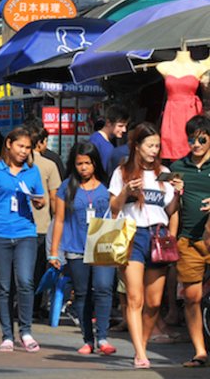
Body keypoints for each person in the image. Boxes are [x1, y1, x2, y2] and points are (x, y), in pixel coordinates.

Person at [109, 123, 182, 369]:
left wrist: (178, 193)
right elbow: (113, 208)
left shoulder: (165, 173)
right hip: (131, 235)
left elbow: (170, 210)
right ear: (137, 146)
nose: (154, 150)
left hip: (158, 237)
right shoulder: (122, 172)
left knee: (153, 302)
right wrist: (125, 193)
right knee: (134, 297)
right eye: (149, 145)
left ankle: (142, 342)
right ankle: (140, 353)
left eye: (157, 146)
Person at [0, 127, 48, 353]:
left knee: (26, 282)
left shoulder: (32, 171)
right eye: (20, 146)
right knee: (5, 286)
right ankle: (7, 334)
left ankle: (25, 332)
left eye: (28, 148)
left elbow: (40, 199)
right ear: (9, 144)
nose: (24, 151)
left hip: (25, 232)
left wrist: (39, 202)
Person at [49, 141, 115, 356]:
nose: (83, 167)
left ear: (95, 163)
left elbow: (116, 214)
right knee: (83, 293)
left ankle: (103, 337)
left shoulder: (106, 188)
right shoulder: (67, 187)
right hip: (76, 247)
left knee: (104, 288)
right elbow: (58, 220)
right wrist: (54, 251)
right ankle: (88, 339)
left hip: (102, 246)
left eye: (87, 163)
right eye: (79, 163)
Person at [169, 114, 210, 367]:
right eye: (191, 139)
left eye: (202, 139)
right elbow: (172, 209)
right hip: (189, 240)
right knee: (192, 297)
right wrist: (175, 194)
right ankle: (199, 351)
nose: (196, 144)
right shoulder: (178, 166)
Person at [26, 124, 60, 321]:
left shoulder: (16, 164)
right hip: (42, 226)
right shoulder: (49, 165)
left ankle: (22, 304)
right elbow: (55, 198)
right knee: (38, 270)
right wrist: (57, 222)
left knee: (23, 270)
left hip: (20, 226)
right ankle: (34, 307)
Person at [89, 104, 130, 179]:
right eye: (120, 126)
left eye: (125, 126)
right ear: (108, 123)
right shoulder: (96, 141)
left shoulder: (105, 142)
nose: (124, 130)